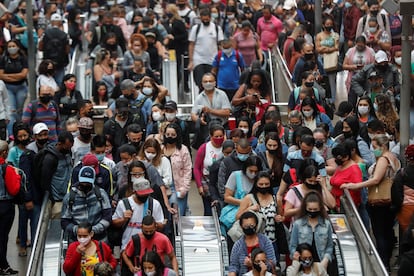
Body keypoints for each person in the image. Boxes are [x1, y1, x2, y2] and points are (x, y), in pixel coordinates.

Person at [341, 134, 400, 270]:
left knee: (380, 233)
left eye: (375, 147)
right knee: (387, 230)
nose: (373, 150)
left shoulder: (384, 160)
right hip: (390, 201)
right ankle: (387, 260)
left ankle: (383, 263)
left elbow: (375, 179)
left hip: (380, 202)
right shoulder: (394, 158)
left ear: (383, 146)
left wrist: (354, 185)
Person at [111, 161, 164, 250]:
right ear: (134, 191)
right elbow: (114, 223)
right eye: (134, 174)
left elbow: (161, 225)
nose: (144, 196)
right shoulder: (124, 203)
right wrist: (124, 219)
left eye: (146, 194)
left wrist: (152, 224)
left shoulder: (154, 204)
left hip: (149, 248)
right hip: (127, 247)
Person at [236, 172, 284, 257]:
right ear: (256, 184)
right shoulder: (249, 198)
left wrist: (279, 218)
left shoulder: (275, 198)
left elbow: (281, 216)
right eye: (261, 184)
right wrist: (249, 209)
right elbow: (237, 217)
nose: (264, 186)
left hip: (272, 240)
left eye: (266, 184)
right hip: (254, 241)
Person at [61, 166, 112, 242]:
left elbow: (107, 216)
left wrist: (93, 230)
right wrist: (79, 231)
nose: (85, 184)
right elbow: (64, 221)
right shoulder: (69, 197)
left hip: (99, 239)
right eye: (83, 182)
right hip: (77, 240)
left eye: (88, 182)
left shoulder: (101, 194)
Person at [289, 192, 333, 270]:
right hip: (302, 265)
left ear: (320, 208)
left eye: (315, 209)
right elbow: (293, 246)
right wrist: (296, 255)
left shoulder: (326, 224)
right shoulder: (298, 224)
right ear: (305, 208)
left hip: (321, 264)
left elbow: (329, 246)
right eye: (310, 209)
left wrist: (326, 259)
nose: (312, 211)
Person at [228, 211, 277, 276]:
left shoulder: (265, 241)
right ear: (241, 226)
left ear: (256, 225)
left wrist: (255, 264)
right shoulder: (238, 245)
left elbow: (272, 262)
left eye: (251, 225)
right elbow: (234, 266)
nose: (249, 228)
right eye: (246, 226)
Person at [188, 8, 224, 90]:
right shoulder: (195, 29)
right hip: (198, 60)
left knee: (212, 84)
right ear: (200, 18)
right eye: (203, 19)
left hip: (212, 61)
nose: (205, 21)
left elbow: (220, 45)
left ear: (210, 17)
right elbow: (191, 44)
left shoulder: (216, 28)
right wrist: (191, 61)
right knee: (200, 84)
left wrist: (220, 60)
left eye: (207, 19)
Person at [40, 131, 74, 218]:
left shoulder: (68, 152)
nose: (69, 149)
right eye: (67, 147)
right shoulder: (50, 159)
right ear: (59, 144)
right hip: (57, 200)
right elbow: (45, 180)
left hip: (68, 196)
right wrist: (51, 199)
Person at [194, 124, 225, 216]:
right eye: (216, 136)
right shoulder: (204, 148)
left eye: (221, 136)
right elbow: (196, 168)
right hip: (206, 181)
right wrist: (199, 185)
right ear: (211, 136)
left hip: (221, 181)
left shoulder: (226, 147)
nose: (219, 138)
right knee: (208, 211)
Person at [0, 139, 21, 274]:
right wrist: (18, 177)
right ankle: (3, 265)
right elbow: (14, 190)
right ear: (4, 153)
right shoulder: (6, 168)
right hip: (4, 206)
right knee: (2, 237)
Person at [162, 123, 192, 216]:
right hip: (164, 185)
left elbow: (188, 169)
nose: (170, 137)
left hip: (179, 186)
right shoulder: (160, 148)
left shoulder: (183, 149)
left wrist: (185, 188)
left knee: (178, 215)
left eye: (173, 135)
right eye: (168, 135)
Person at [0, 39, 28, 137]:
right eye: (9, 46)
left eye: (13, 46)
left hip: (21, 88)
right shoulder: (3, 59)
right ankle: (11, 134)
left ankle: (19, 130)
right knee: (11, 111)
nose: (12, 48)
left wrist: (9, 76)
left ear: (18, 47)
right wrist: (16, 76)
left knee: (19, 111)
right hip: (8, 88)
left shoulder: (23, 58)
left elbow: (24, 74)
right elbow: (1, 75)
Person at [38, 13, 69, 85]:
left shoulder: (45, 34)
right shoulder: (64, 35)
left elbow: (40, 48)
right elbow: (67, 50)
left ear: (51, 22)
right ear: (60, 22)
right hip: (60, 63)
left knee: (46, 82)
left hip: (47, 62)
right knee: (59, 83)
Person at [330, 144, 363, 211]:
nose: (335, 159)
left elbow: (358, 187)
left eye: (338, 157)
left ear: (346, 157)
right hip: (334, 203)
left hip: (346, 206)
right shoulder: (340, 166)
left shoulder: (354, 169)